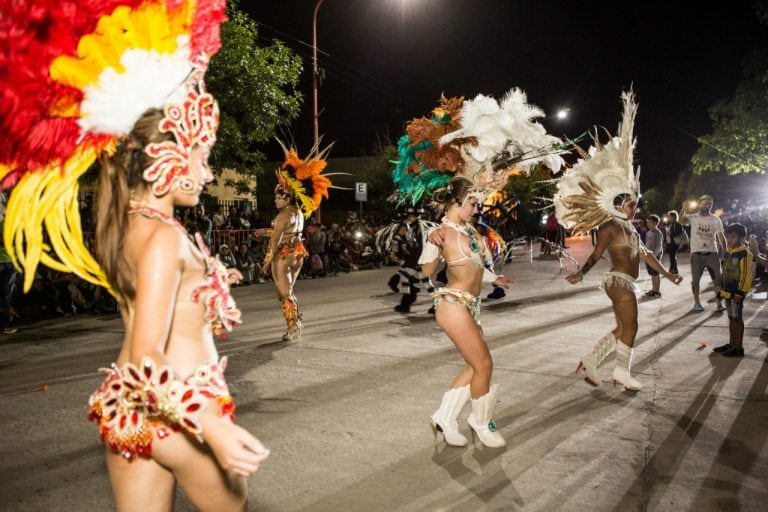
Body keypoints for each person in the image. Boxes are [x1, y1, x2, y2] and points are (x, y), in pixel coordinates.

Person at [1, 4, 269, 510]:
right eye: (204, 156)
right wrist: (210, 425)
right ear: (169, 156)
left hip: (130, 411)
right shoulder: (164, 238)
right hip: (179, 409)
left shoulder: (130, 226)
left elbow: (158, 298)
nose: (209, 173)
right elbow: (144, 354)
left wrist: (209, 280)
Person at [555, 91, 682, 391]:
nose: (634, 208)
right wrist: (581, 273)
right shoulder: (611, 227)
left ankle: (591, 360)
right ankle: (621, 373)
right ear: (617, 204)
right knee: (632, 326)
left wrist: (667, 275)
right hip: (618, 281)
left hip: (628, 282)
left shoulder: (633, 229)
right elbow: (597, 255)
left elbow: (648, 255)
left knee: (623, 327)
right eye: (629, 204)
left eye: (635, 204)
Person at [420, 177, 515, 448]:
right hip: (452, 304)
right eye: (472, 203)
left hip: (471, 305)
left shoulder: (471, 231)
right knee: (485, 364)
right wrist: (432, 241)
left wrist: (493, 279)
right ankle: (482, 423)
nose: (476, 209)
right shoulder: (442, 232)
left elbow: (473, 266)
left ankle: (445, 417)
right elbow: (427, 271)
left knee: (474, 366)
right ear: (455, 202)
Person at [262, 142, 336, 342]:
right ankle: (295, 319)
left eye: (278, 197)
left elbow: (276, 240)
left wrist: (267, 261)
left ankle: (293, 325)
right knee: (289, 291)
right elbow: (288, 232)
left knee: (283, 293)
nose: (275, 201)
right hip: (298, 253)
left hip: (284, 256)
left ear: (287, 198)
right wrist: (266, 231)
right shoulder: (298, 214)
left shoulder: (281, 216)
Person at [712, 223, 753, 357]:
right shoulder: (729, 251)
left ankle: (738, 347)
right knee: (731, 318)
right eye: (728, 237)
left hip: (737, 293)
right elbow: (725, 272)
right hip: (727, 292)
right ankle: (731, 344)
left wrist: (741, 292)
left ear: (741, 237)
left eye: (733, 237)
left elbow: (747, 275)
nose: (729, 240)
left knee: (737, 319)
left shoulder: (744, 254)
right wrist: (721, 290)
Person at [680, 194, 726, 312]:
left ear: (711, 205)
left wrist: (725, 251)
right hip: (696, 254)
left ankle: (719, 303)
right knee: (696, 281)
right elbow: (681, 221)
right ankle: (697, 303)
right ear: (699, 204)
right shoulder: (693, 217)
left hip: (712, 253)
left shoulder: (715, 219)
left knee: (717, 280)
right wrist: (683, 209)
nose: (706, 205)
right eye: (704, 203)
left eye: (709, 203)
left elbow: (721, 236)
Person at [643, 215, 664, 297]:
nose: (648, 223)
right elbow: (646, 244)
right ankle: (653, 289)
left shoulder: (658, 233)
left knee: (656, 273)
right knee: (652, 273)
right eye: (647, 222)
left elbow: (659, 246)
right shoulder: (648, 233)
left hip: (655, 256)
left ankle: (657, 291)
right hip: (648, 255)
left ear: (655, 223)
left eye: (650, 222)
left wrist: (654, 256)